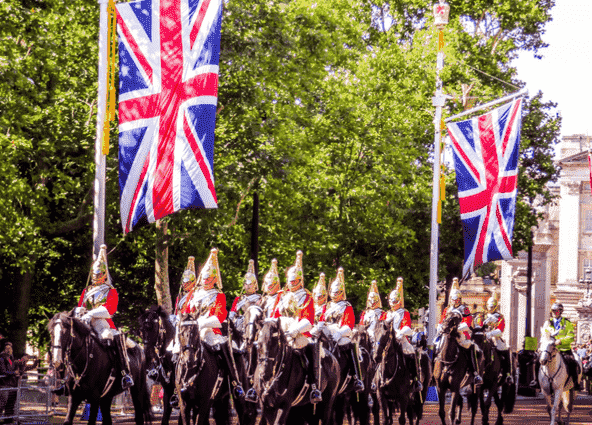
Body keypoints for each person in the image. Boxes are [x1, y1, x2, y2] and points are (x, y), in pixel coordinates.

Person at [183, 248, 246, 399]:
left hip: (210, 331)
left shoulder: (219, 295)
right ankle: (174, 386)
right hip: (192, 331)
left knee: (226, 348)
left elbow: (220, 316)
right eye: (204, 278)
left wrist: (201, 323)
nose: (205, 281)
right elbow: (186, 312)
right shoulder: (194, 294)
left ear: (214, 279)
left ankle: (235, 383)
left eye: (208, 278)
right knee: (174, 351)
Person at [73, 245, 134, 390]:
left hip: (102, 324)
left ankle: (124, 373)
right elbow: (80, 306)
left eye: (98, 274)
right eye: (94, 274)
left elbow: (109, 310)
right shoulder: (86, 291)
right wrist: (80, 311)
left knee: (111, 338)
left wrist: (90, 313)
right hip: (86, 323)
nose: (95, 277)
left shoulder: (110, 291)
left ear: (104, 274)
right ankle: (67, 378)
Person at [272, 250, 322, 403]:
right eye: (290, 281)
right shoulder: (281, 296)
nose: (292, 284)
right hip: (281, 333)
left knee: (311, 349)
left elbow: (309, 320)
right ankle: (254, 385)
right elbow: (274, 315)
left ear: (300, 280)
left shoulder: (307, 297)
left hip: (298, 335)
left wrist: (293, 331)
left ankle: (314, 387)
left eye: (295, 281)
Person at [318, 267, 364, 393]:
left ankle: (356, 377)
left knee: (348, 345)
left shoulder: (346, 306)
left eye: (336, 292)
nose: (334, 294)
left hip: (340, 332)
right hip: (327, 332)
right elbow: (322, 320)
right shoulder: (326, 306)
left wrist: (338, 333)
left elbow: (348, 324)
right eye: (332, 291)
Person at [437, 277, 483, 385]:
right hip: (446, 334)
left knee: (471, 347)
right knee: (436, 347)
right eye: (453, 299)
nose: (455, 301)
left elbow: (468, 323)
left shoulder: (464, 309)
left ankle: (475, 373)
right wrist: (440, 328)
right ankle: (434, 372)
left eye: (456, 299)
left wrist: (457, 329)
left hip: (460, 334)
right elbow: (441, 321)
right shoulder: (447, 309)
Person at [384, 277, 422, 392]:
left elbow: (407, 326)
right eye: (391, 301)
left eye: (395, 301)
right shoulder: (386, 314)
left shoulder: (404, 312)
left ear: (399, 301)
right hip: (388, 340)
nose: (393, 303)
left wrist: (401, 333)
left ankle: (415, 379)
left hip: (401, 339)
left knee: (410, 351)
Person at [474, 292, 513, 384]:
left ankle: (508, 374)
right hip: (482, 336)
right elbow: (477, 326)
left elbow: (500, 330)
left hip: (495, 338)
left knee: (505, 350)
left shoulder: (500, 317)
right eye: (489, 306)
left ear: (495, 306)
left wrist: (490, 334)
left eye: (492, 307)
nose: (490, 308)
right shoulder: (482, 316)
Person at [541, 302, 581, 390]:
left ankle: (576, 383)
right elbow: (544, 335)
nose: (554, 312)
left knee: (573, 363)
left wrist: (561, 341)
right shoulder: (547, 323)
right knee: (538, 361)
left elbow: (571, 337)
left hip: (563, 349)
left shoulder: (567, 323)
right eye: (553, 310)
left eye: (557, 311)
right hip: (549, 349)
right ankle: (536, 381)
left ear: (560, 311)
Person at [229, 259, 262, 331]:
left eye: (250, 284)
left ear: (255, 285)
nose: (248, 286)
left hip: (255, 323)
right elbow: (233, 313)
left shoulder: (260, 298)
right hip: (240, 323)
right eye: (246, 284)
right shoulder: (239, 299)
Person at [0, 340, 18, 424]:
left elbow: (12, 369)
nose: (9, 350)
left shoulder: (11, 358)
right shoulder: (1, 358)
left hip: (12, 384)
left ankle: (8, 420)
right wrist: (14, 373)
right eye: (8, 348)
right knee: (2, 403)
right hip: (4, 384)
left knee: (10, 404)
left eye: (10, 348)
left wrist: (16, 373)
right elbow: (3, 372)